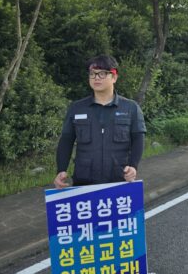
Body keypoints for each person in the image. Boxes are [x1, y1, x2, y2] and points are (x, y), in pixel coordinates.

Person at [53, 55, 146, 189]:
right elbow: (66, 140)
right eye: (92, 74)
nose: (96, 77)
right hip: (84, 181)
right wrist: (61, 170)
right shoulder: (77, 108)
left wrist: (133, 166)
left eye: (102, 73)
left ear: (114, 77)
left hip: (120, 179)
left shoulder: (130, 108)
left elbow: (138, 138)